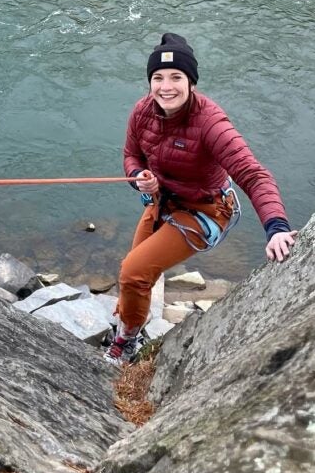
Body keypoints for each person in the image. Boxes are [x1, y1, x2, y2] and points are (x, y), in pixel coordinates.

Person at [105, 33, 297, 365]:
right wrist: (139, 180)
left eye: (176, 77)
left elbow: (252, 174)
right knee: (133, 272)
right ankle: (130, 314)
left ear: (191, 82)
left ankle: (127, 339)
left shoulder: (211, 123)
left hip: (204, 210)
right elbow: (131, 156)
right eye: (158, 78)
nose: (166, 86)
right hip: (163, 201)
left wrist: (276, 226)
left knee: (133, 272)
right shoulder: (142, 112)